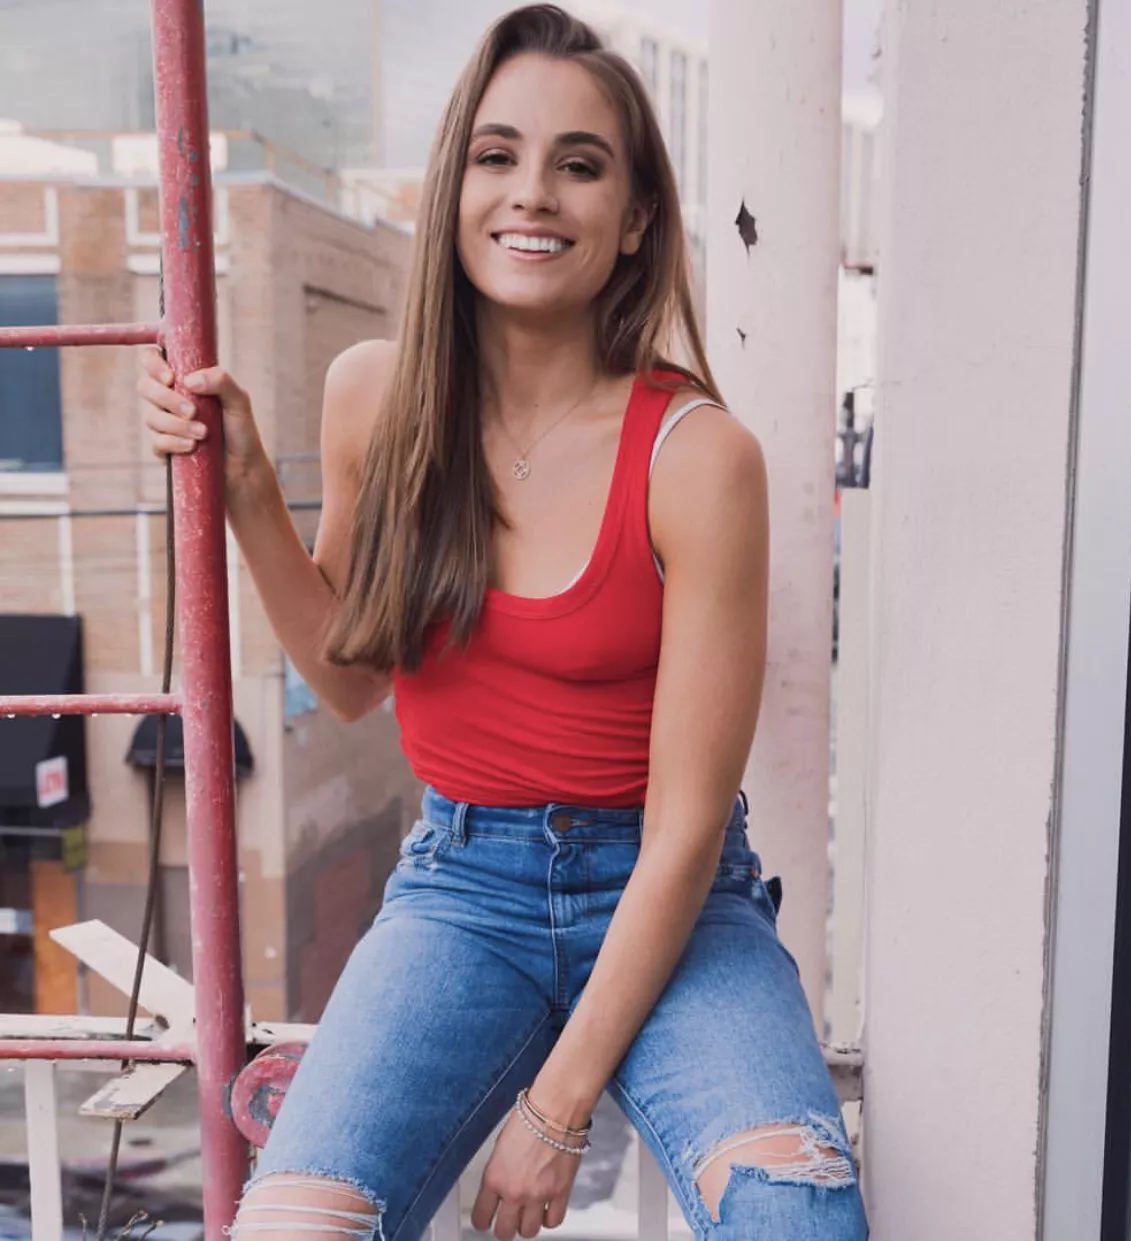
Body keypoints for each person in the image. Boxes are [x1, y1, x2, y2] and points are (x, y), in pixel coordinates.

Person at [137, 7, 867, 1239]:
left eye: (580, 164)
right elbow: (354, 674)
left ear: (635, 217)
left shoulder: (699, 458)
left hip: (674, 900)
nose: (534, 192)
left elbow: (687, 827)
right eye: (498, 154)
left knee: (801, 1218)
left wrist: (553, 1108)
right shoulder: (375, 396)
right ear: (454, 183)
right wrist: (252, 492)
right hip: (461, 890)